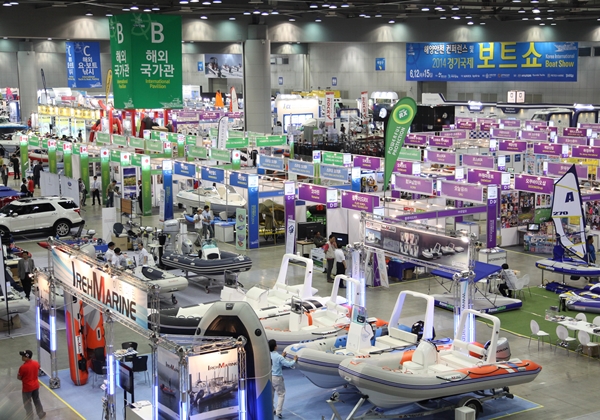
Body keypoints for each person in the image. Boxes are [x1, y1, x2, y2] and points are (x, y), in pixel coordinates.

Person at [269, 339, 297, 419]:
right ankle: (278, 412)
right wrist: (294, 360)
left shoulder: (268, 355)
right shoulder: (279, 357)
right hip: (277, 378)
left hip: (270, 377)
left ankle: (271, 409)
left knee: (271, 395)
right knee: (281, 394)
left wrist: (282, 356)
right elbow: (288, 364)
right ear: (275, 347)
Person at [18, 350, 46, 419]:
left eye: (23, 356)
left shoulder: (23, 367)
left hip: (27, 388)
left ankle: (30, 417)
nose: (22, 357)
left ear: (26, 357)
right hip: (35, 386)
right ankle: (41, 413)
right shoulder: (36, 363)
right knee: (36, 400)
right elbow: (38, 369)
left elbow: (19, 377)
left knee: (27, 403)